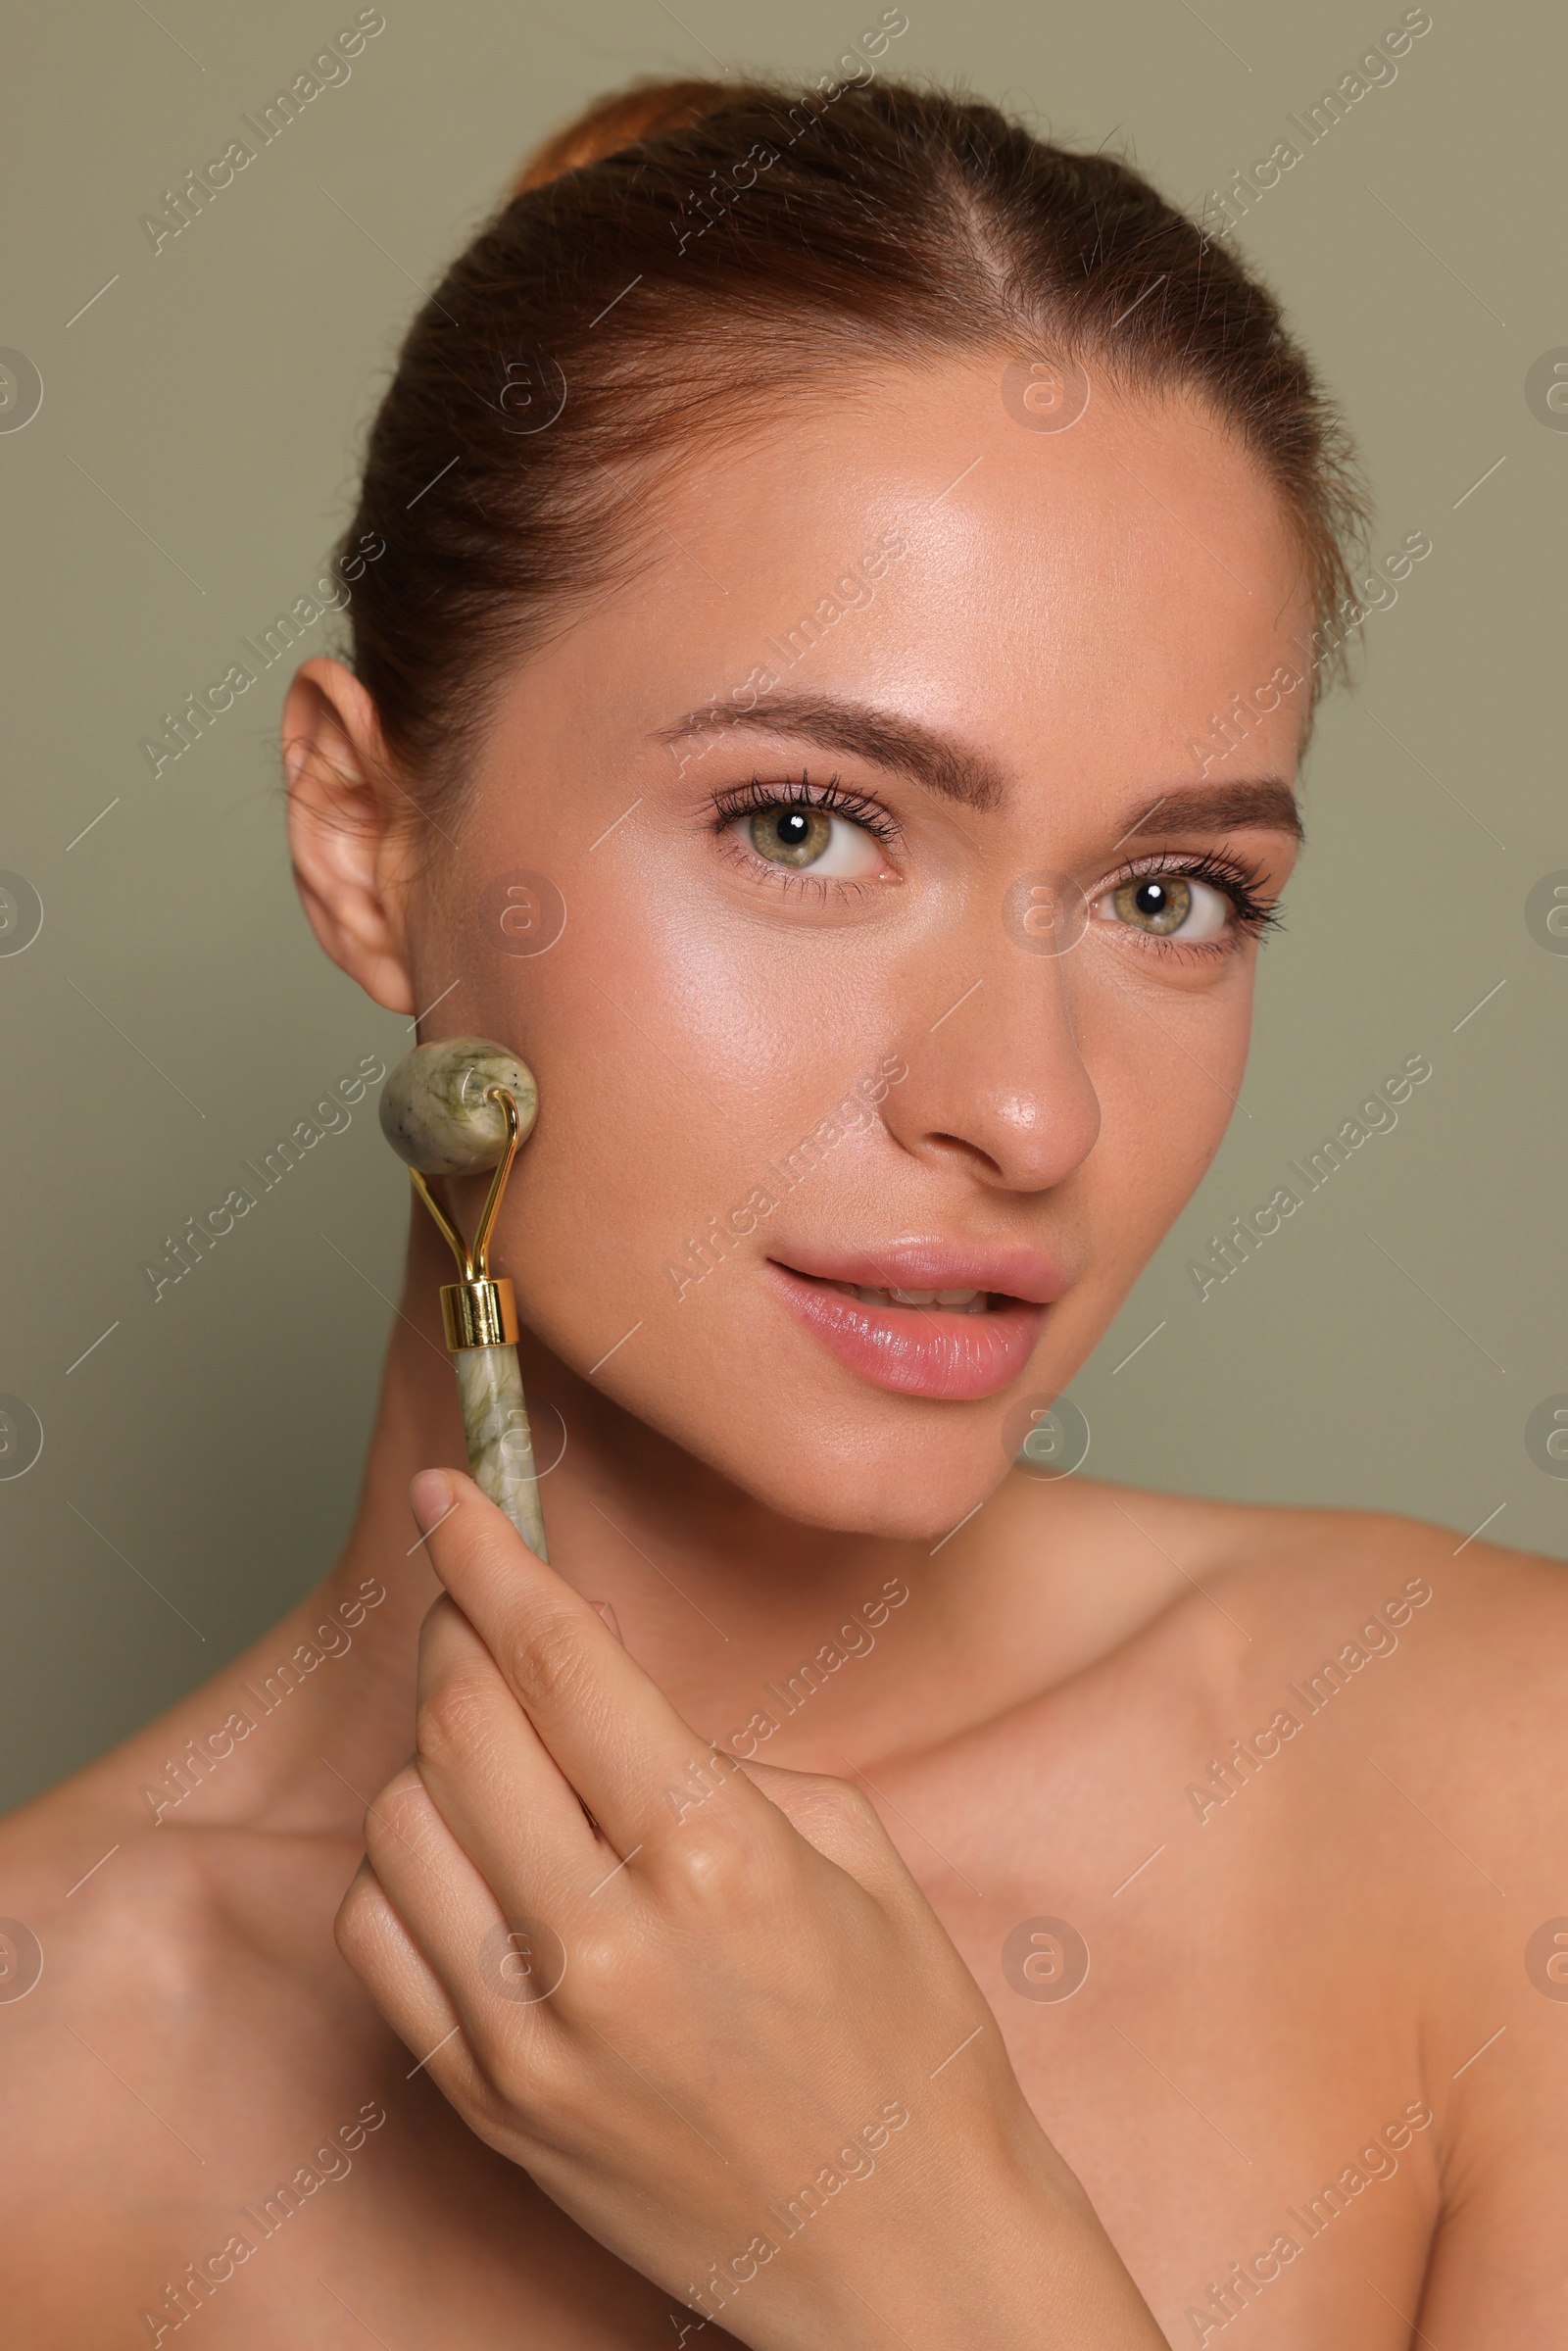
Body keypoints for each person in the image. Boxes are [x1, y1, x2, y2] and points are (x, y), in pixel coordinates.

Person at [3, 70, 1563, 2349]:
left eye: (1170, 891)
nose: (1024, 1109)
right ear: (366, 838)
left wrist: (915, 2251)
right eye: (806, 829)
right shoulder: (46, 2085)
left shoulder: (1492, 1801)